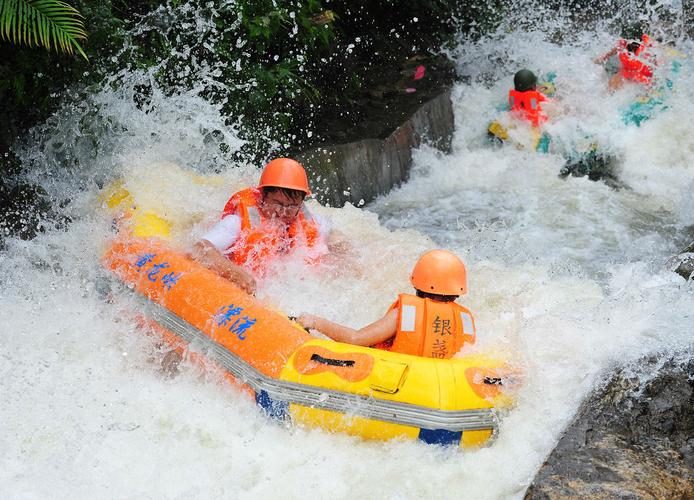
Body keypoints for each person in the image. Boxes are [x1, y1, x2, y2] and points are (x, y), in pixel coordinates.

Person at [297, 249, 476, 359]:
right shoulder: (465, 320)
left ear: (417, 282)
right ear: (458, 290)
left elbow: (355, 339)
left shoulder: (405, 315)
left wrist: (316, 323)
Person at [192, 158, 335, 295]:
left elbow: (335, 236)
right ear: (262, 197)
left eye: (291, 205)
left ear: (301, 203)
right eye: (277, 203)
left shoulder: (308, 222)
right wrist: (235, 273)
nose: (283, 212)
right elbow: (200, 248)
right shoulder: (237, 222)